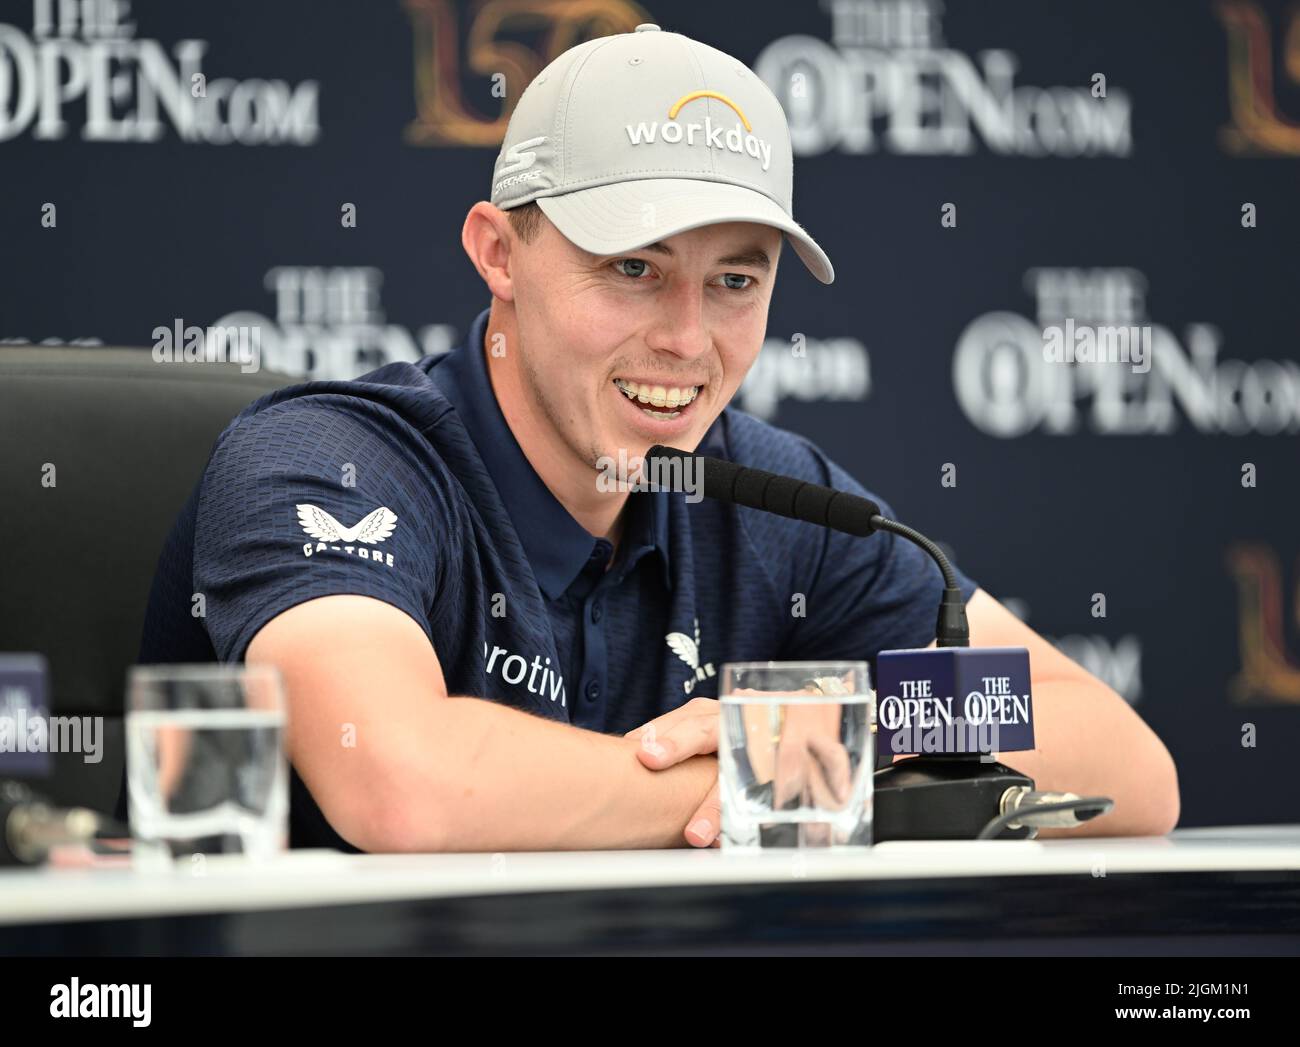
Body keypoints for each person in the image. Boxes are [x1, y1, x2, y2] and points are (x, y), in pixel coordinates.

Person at [132, 24, 1179, 851]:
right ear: (499, 253)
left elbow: (1125, 764)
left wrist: (833, 736)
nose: (687, 339)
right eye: (633, 267)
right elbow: (402, 781)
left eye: (736, 280)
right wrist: (761, 771)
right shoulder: (328, 460)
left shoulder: (766, 496)